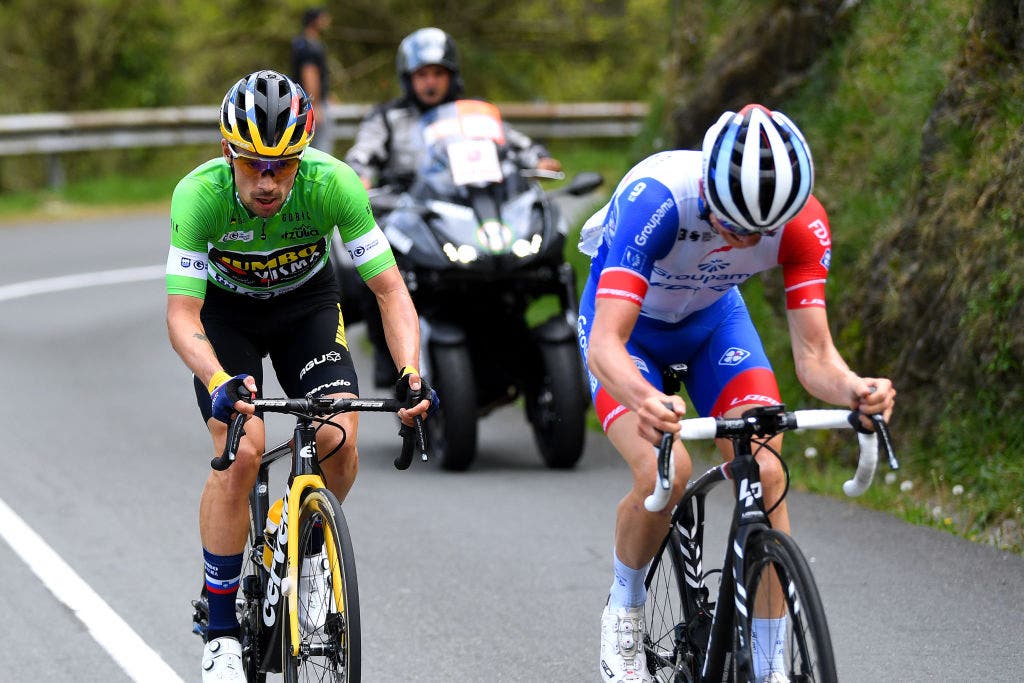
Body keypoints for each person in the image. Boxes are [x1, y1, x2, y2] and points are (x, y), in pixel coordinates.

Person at [576, 104, 896, 682]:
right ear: (710, 188)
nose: (745, 239)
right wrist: (643, 399)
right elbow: (606, 346)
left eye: (760, 231)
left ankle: (771, 666)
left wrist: (854, 388)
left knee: (768, 473)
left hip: (713, 325)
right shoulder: (658, 199)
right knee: (661, 473)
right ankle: (624, 607)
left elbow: (816, 358)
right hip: (630, 336)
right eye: (733, 223)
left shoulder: (803, 222)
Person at [165, 69, 435, 682]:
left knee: (338, 437)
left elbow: (390, 291)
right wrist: (216, 381)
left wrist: (411, 374)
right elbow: (182, 315)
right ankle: (221, 627)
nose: (268, 181)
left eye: (283, 164)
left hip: (305, 310)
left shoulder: (333, 184)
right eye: (253, 163)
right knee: (242, 451)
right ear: (228, 151)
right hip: (225, 318)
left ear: (302, 153)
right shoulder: (199, 196)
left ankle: (305, 545)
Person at [344, 26, 563, 385]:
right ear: (408, 78)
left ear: (452, 75)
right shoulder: (387, 118)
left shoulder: (472, 114)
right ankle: (389, 356)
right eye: (422, 75)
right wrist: (360, 176)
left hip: (471, 213)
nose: (430, 83)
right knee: (373, 267)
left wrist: (540, 158)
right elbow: (361, 157)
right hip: (412, 211)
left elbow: (518, 144)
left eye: (438, 74)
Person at [291, 7, 337, 154]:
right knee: (319, 152)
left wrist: (326, 95)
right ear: (314, 21)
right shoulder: (309, 46)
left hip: (302, 102)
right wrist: (314, 104)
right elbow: (309, 73)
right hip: (309, 105)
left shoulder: (301, 43)